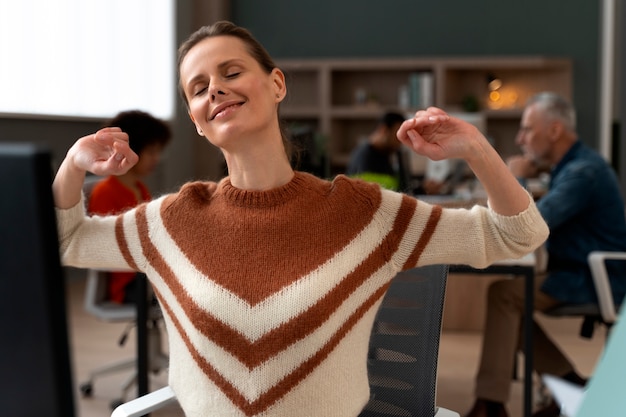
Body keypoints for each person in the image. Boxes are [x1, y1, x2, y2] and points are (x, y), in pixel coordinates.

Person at [53, 21, 548, 417]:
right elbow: (64, 240)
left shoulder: (362, 212)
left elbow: (517, 236)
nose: (216, 91)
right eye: (198, 88)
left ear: (276, 83)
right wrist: (75, 164)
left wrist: (476, 150)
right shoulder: (175, 220)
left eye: (231, 72)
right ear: (198, 123)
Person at [464, 92, 626, 417]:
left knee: (506, 296)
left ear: (554, 130)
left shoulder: (583, 172)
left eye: (528, 129)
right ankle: (567, 387)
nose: (521, 138)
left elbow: (532, 225)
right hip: (581, 272)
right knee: (509, 298)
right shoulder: (578, 166)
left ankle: (492, 404)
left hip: (593, 278)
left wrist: (515, 178)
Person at [87, 110, 172, 304]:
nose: (156, 159)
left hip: (147, 276)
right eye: (151, 151)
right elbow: (104, 248)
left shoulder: (141, 189)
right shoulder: (106, 192)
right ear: (131, 150)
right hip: (129, 284)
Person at [345, 111, 408, 191]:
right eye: (397, 135)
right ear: (384, 130)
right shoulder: (364, 157)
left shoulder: (387, 153)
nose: (400, 142)